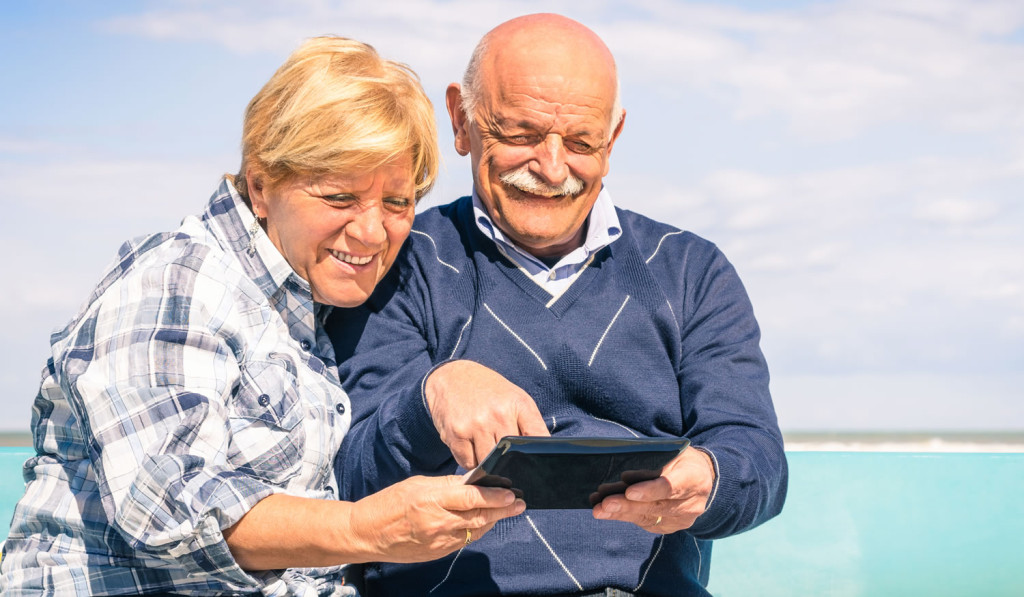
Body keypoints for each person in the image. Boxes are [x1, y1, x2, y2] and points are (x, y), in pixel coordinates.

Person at [0, 36, 525, 597]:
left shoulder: (306, 304)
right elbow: (168, 506)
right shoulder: (179, 280)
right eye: (340, 197)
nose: (373, 232)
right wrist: (368, 528)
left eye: (397, 202)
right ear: (260, 184)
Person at [328, 13, 788, 597]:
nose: (550, 169)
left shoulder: (691, 271)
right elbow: (345, 480)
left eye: (580, 142)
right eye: (519, 134)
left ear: (613, 138)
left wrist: (710, 479)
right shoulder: (394, 261)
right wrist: (432, 397)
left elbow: (760, 464)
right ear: (461, 120)